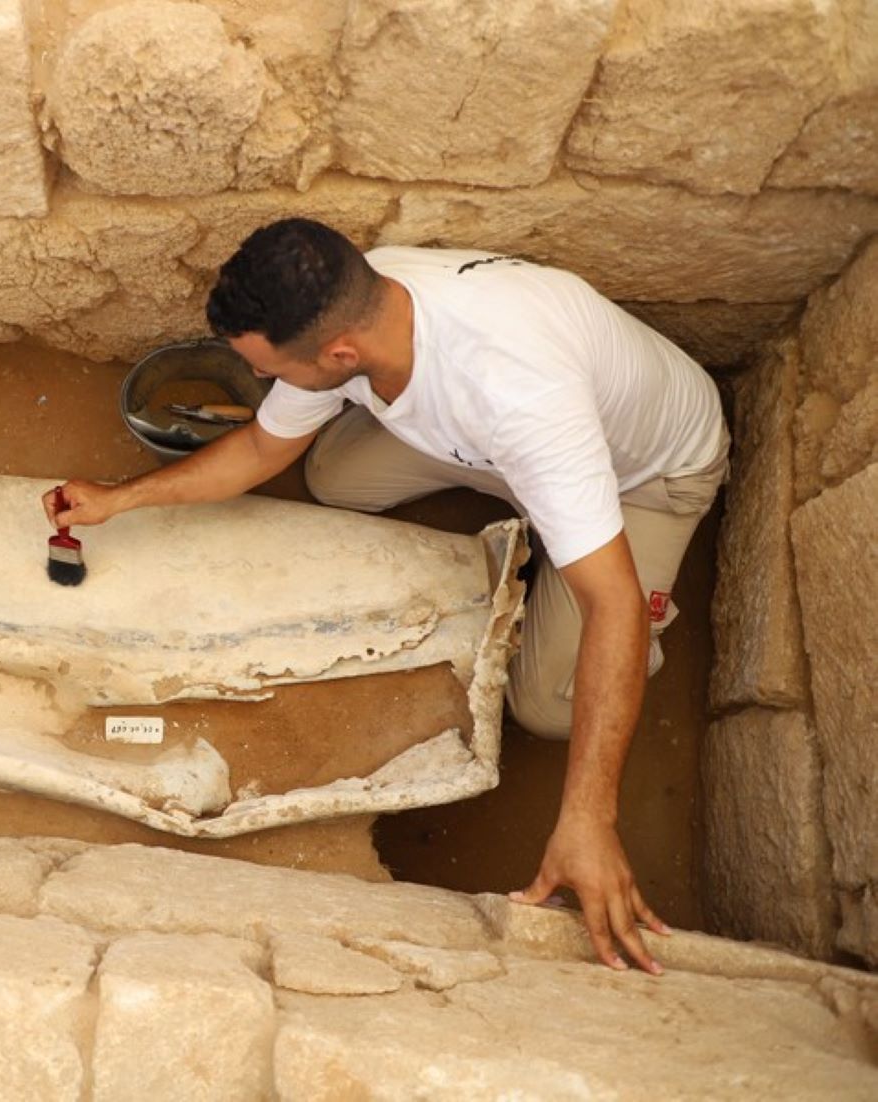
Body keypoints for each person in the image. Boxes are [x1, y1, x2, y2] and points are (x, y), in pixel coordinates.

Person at [43, 219, 729, 974]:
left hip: (646, 479)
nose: (270, 385)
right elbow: (261, 450)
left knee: (546, 705)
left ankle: (598, 569)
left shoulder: (516, 395)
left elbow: (614, 605)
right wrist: (117, 501)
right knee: (334, 478)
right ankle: (552, 518)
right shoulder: (366, 297)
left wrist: (589, 821)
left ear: (338, 355)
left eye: (275, 372)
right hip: (505, 452)